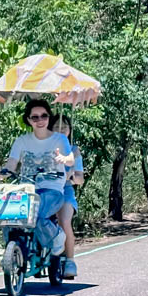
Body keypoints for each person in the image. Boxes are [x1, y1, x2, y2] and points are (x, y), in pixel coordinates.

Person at [0, 98, 74, 255]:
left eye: (44, 116)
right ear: (28, 120)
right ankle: (13, 250)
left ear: (49, 117)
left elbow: (70, 159)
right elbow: (12, 164)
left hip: (52, 190)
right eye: (35, 117)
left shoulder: (59, 139)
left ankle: (57, 238)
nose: (40, 120)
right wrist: (3, 172)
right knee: (8, 217)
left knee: (38, 216)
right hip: (28, 189)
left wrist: (64, 159)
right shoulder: (22, 141)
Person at [51, 114, 84, 278]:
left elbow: (79, 178)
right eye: (56, 127)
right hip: (44, 191)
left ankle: (70, 260)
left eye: (64, 127)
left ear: (69, 130)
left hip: (65, 191)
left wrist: (72, 177)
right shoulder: (43, 148)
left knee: (64, 220)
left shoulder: (73, 151)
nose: (61, 130)